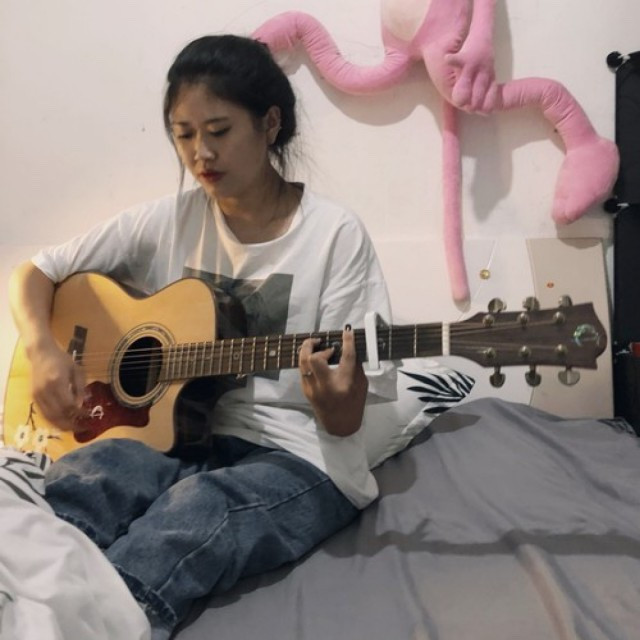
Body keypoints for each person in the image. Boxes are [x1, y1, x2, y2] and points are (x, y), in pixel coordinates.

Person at [8, 34, 396, 638]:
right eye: (183, 134)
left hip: (296, 456)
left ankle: (90, 625)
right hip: (179, 440)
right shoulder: (170, 218)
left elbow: (348, 420)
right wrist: (43, 348)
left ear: (270, 125)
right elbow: (37, 272)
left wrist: (337, 407)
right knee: (90, 476)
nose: (200, 153)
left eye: (218, 131)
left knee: (196, 514)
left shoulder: (336, 235)